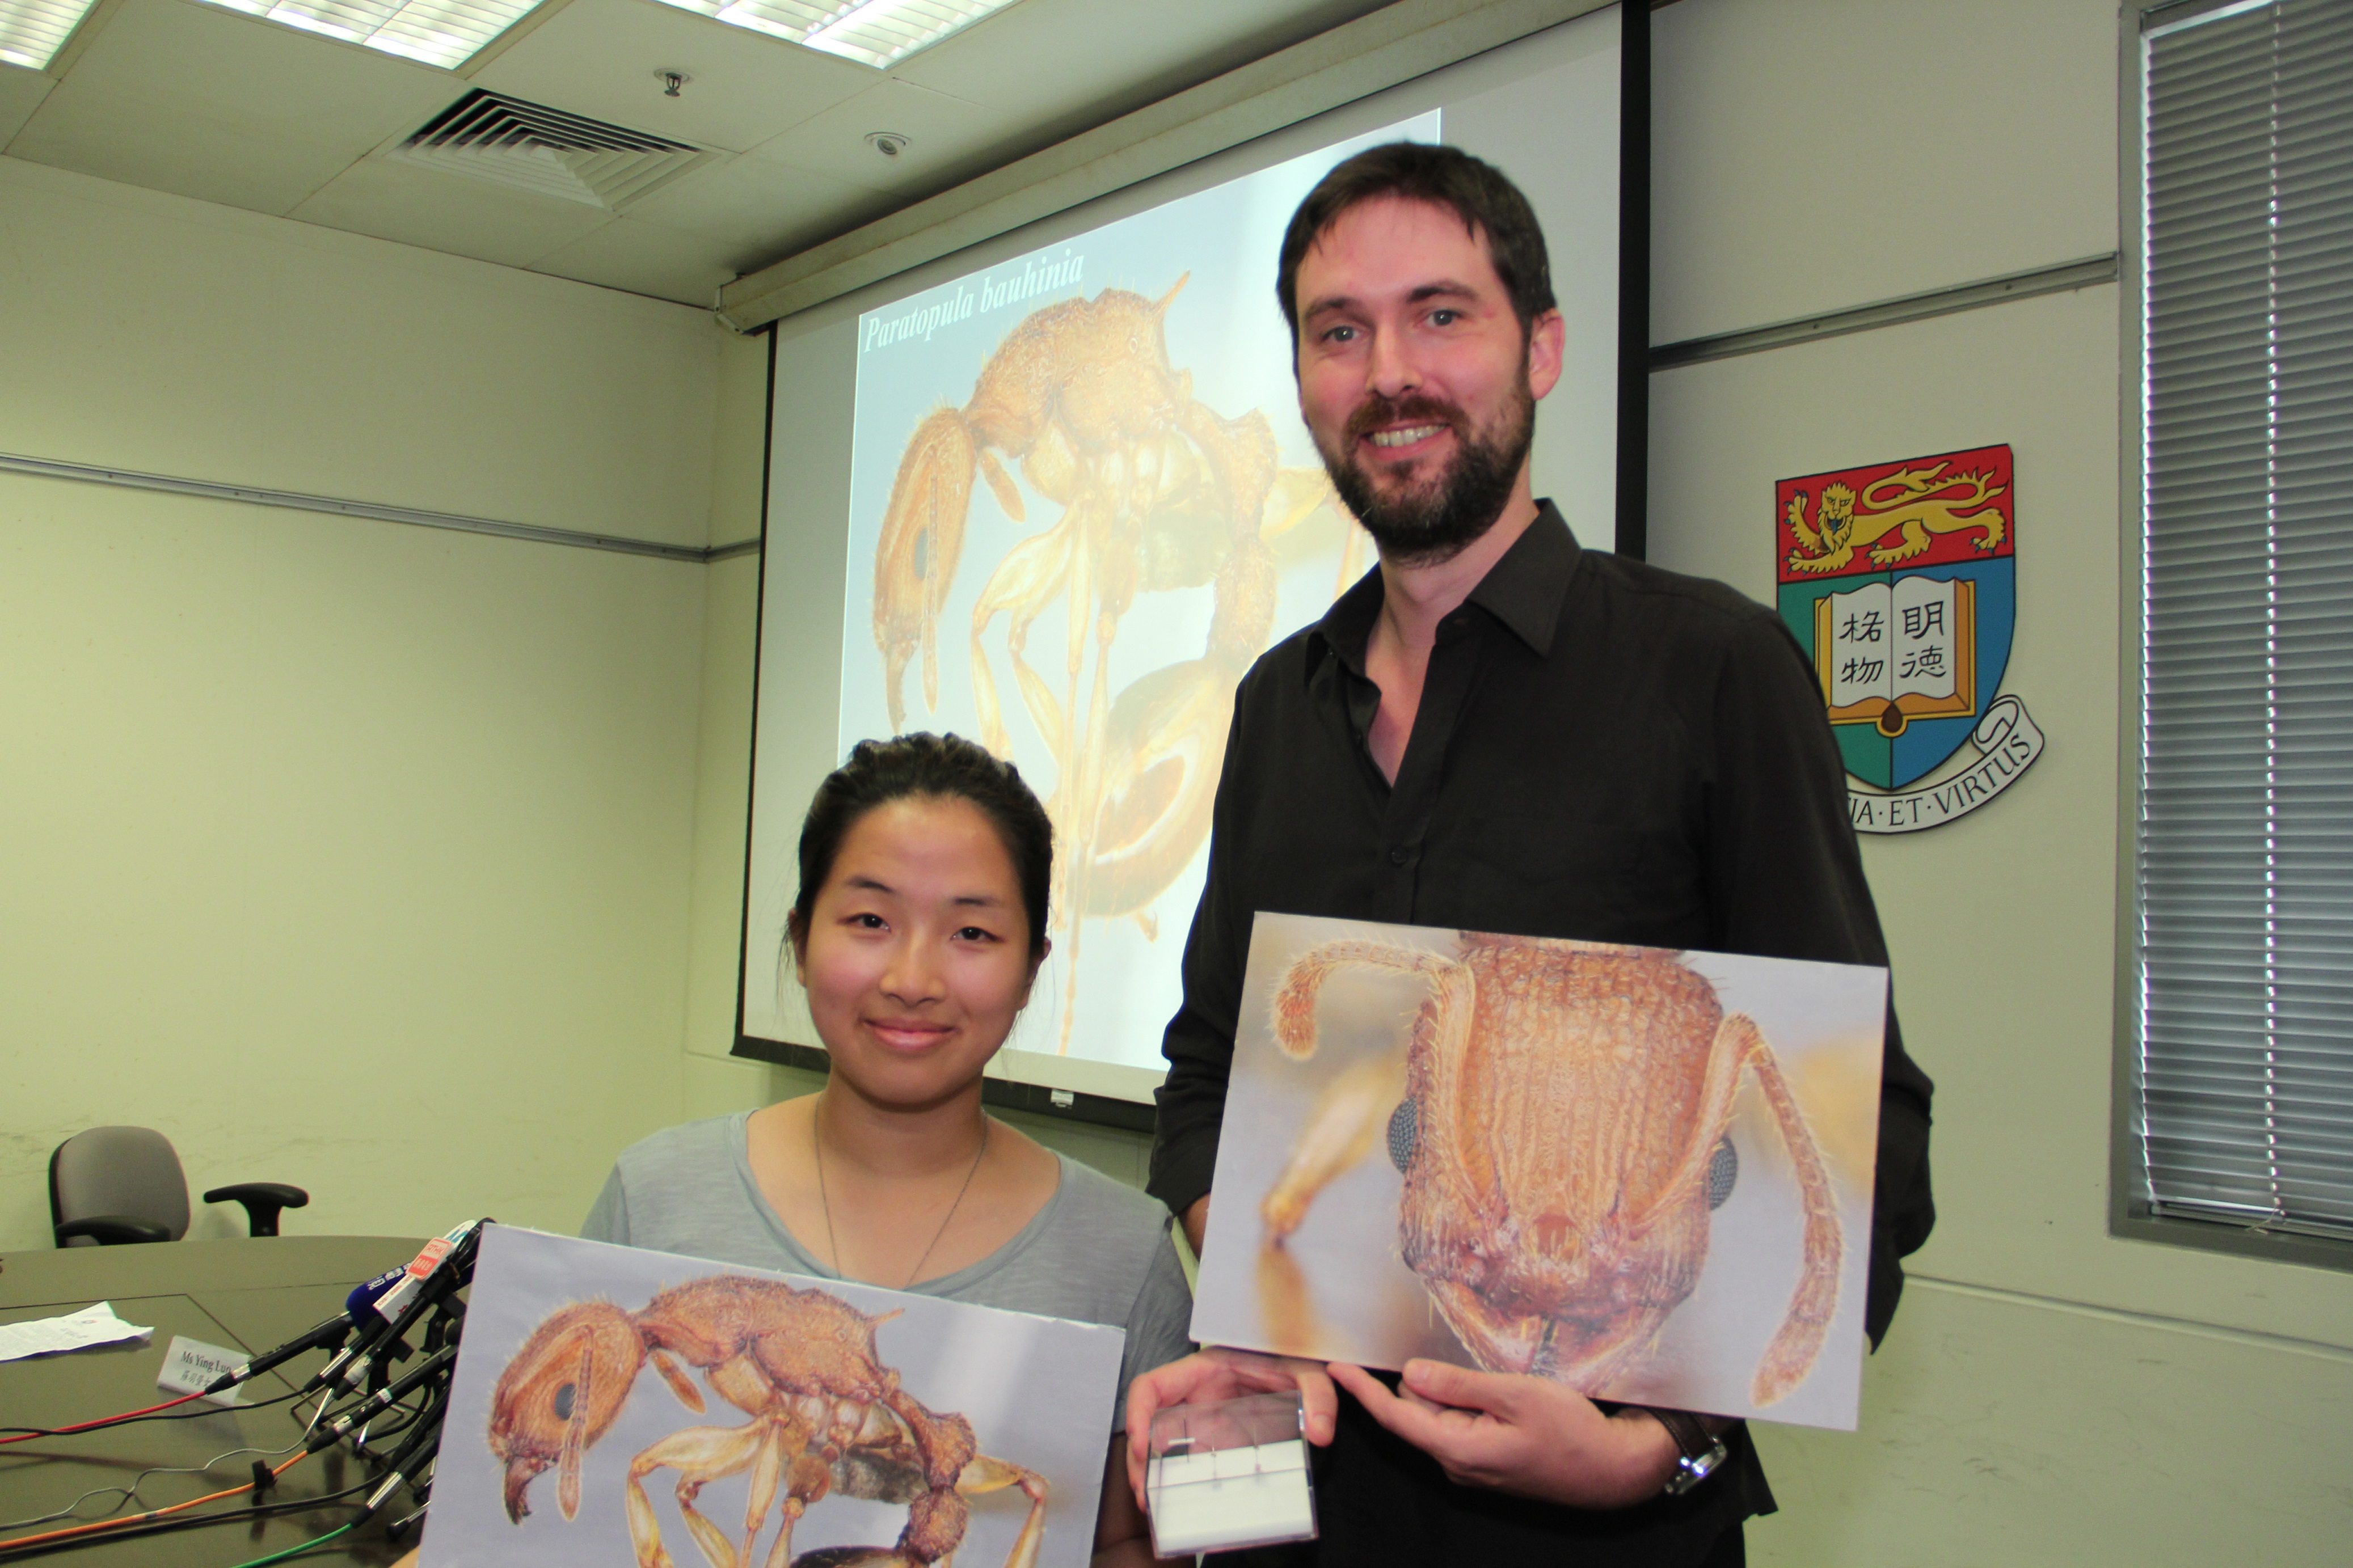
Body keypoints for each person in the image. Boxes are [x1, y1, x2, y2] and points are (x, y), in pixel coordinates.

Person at [1127, 143, 1936, 1565]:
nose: (1390, 373)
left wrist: (1663, 1448)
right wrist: (1266, 1288)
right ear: (1303, 381)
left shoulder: (1715, 670)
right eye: (1338, 332)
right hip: (1293, 1513)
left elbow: (1869, 1132)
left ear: (1542, 350)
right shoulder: (1272, 706)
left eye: (1440, 315)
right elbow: (1205, 1077)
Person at [582, 733, 1191, 1566]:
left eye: (972, 932)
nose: (912, 979)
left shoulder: (1124, 1255)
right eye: (870, 921)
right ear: (801, 939)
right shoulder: (655, 1196)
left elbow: (1129, 1541)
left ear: (1030, 969)